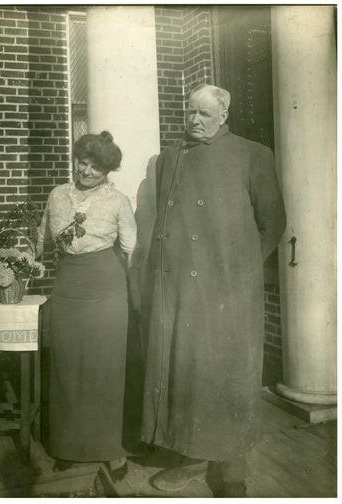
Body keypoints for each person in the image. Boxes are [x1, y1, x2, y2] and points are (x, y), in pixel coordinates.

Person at [137, 84, 286, 497]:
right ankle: (189, 458)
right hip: (181, 291)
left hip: (229, 292)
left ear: (224, 115)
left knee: (229, 376)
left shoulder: (252, 154)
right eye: (191, 112)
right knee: (187, 373)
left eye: (204, 114)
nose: (195, 120)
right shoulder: (170, 159)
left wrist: (236, 271)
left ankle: (232, 470)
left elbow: (273, 224)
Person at [36, 131, 136, 482]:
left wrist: (134, 296)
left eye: (96, 166)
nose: (87, 171)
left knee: (105, 371)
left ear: (108, 170)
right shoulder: (57, 195)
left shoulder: (118, 201)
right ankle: (68, 445)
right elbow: (41, 241)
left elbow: (131, 249)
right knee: (67, 366)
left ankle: (111, 449)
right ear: (75, 159)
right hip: (68, 287)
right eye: (83, 162)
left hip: (107, 289)